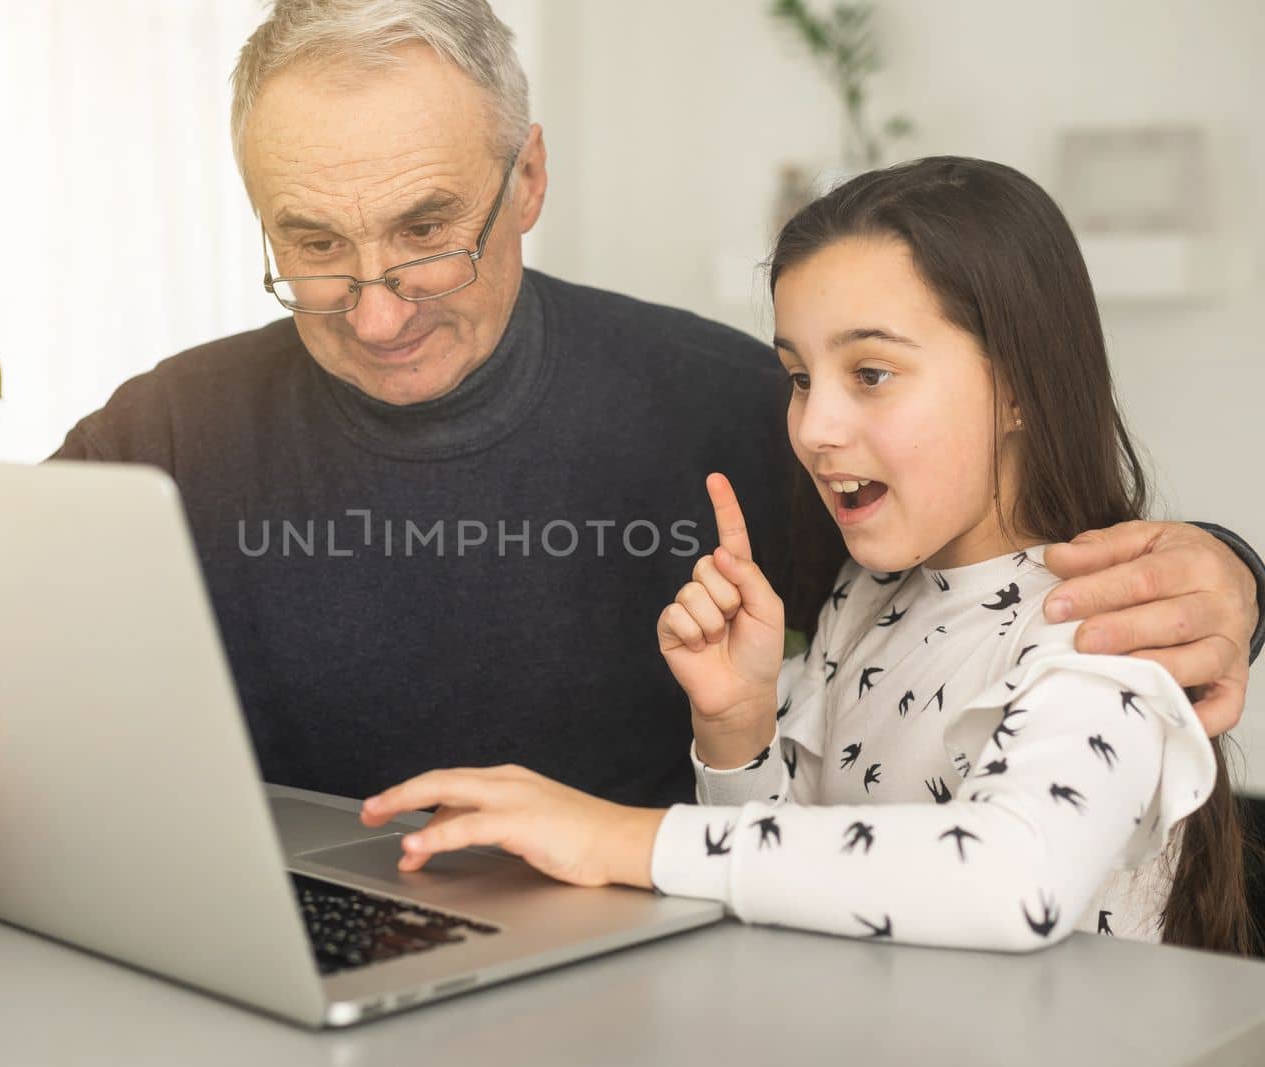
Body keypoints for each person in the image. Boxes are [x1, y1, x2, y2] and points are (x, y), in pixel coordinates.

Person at [0, 2, 1264, 934]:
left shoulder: (739, 411)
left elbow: (991, 569)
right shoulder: (171, 425)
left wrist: (1231, 574)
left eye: (427, 228)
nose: (372, 305)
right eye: (310, 243)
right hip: (292, 974)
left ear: (530, 183)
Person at [360, 157, 1255, 953]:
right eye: (799, 378)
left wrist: (618, 839)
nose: (814, 428)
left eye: (870, 373)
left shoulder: (1109, 626)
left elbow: (1010, 880)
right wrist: (738, 727)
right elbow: (798, 896)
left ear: (1019, 385)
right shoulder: (871, 594)